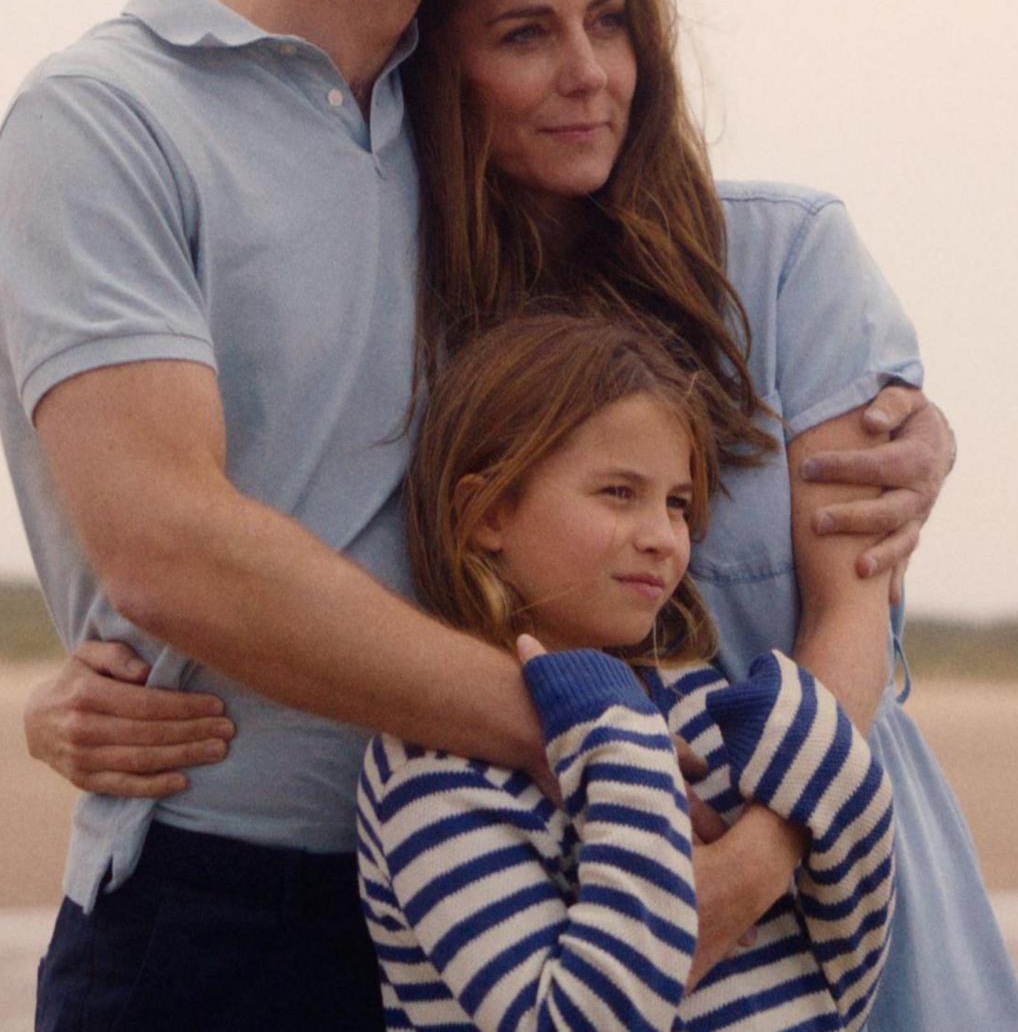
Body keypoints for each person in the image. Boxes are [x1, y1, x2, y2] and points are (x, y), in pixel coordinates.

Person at [0, 0, 949, 1030]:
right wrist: (576, 732)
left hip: (485, 904)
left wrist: (916, 422)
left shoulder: (455, 171)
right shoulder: (110, 117)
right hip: (230, 896)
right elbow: (164, 542)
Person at [359, 309, 894, 1031]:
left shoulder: (702, 702)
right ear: (486, 511)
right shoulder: (431, 768)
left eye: (676, 503)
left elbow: (846, 977)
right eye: (618, 492)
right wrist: (620, 741)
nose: (662, 538)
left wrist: (831, 769)